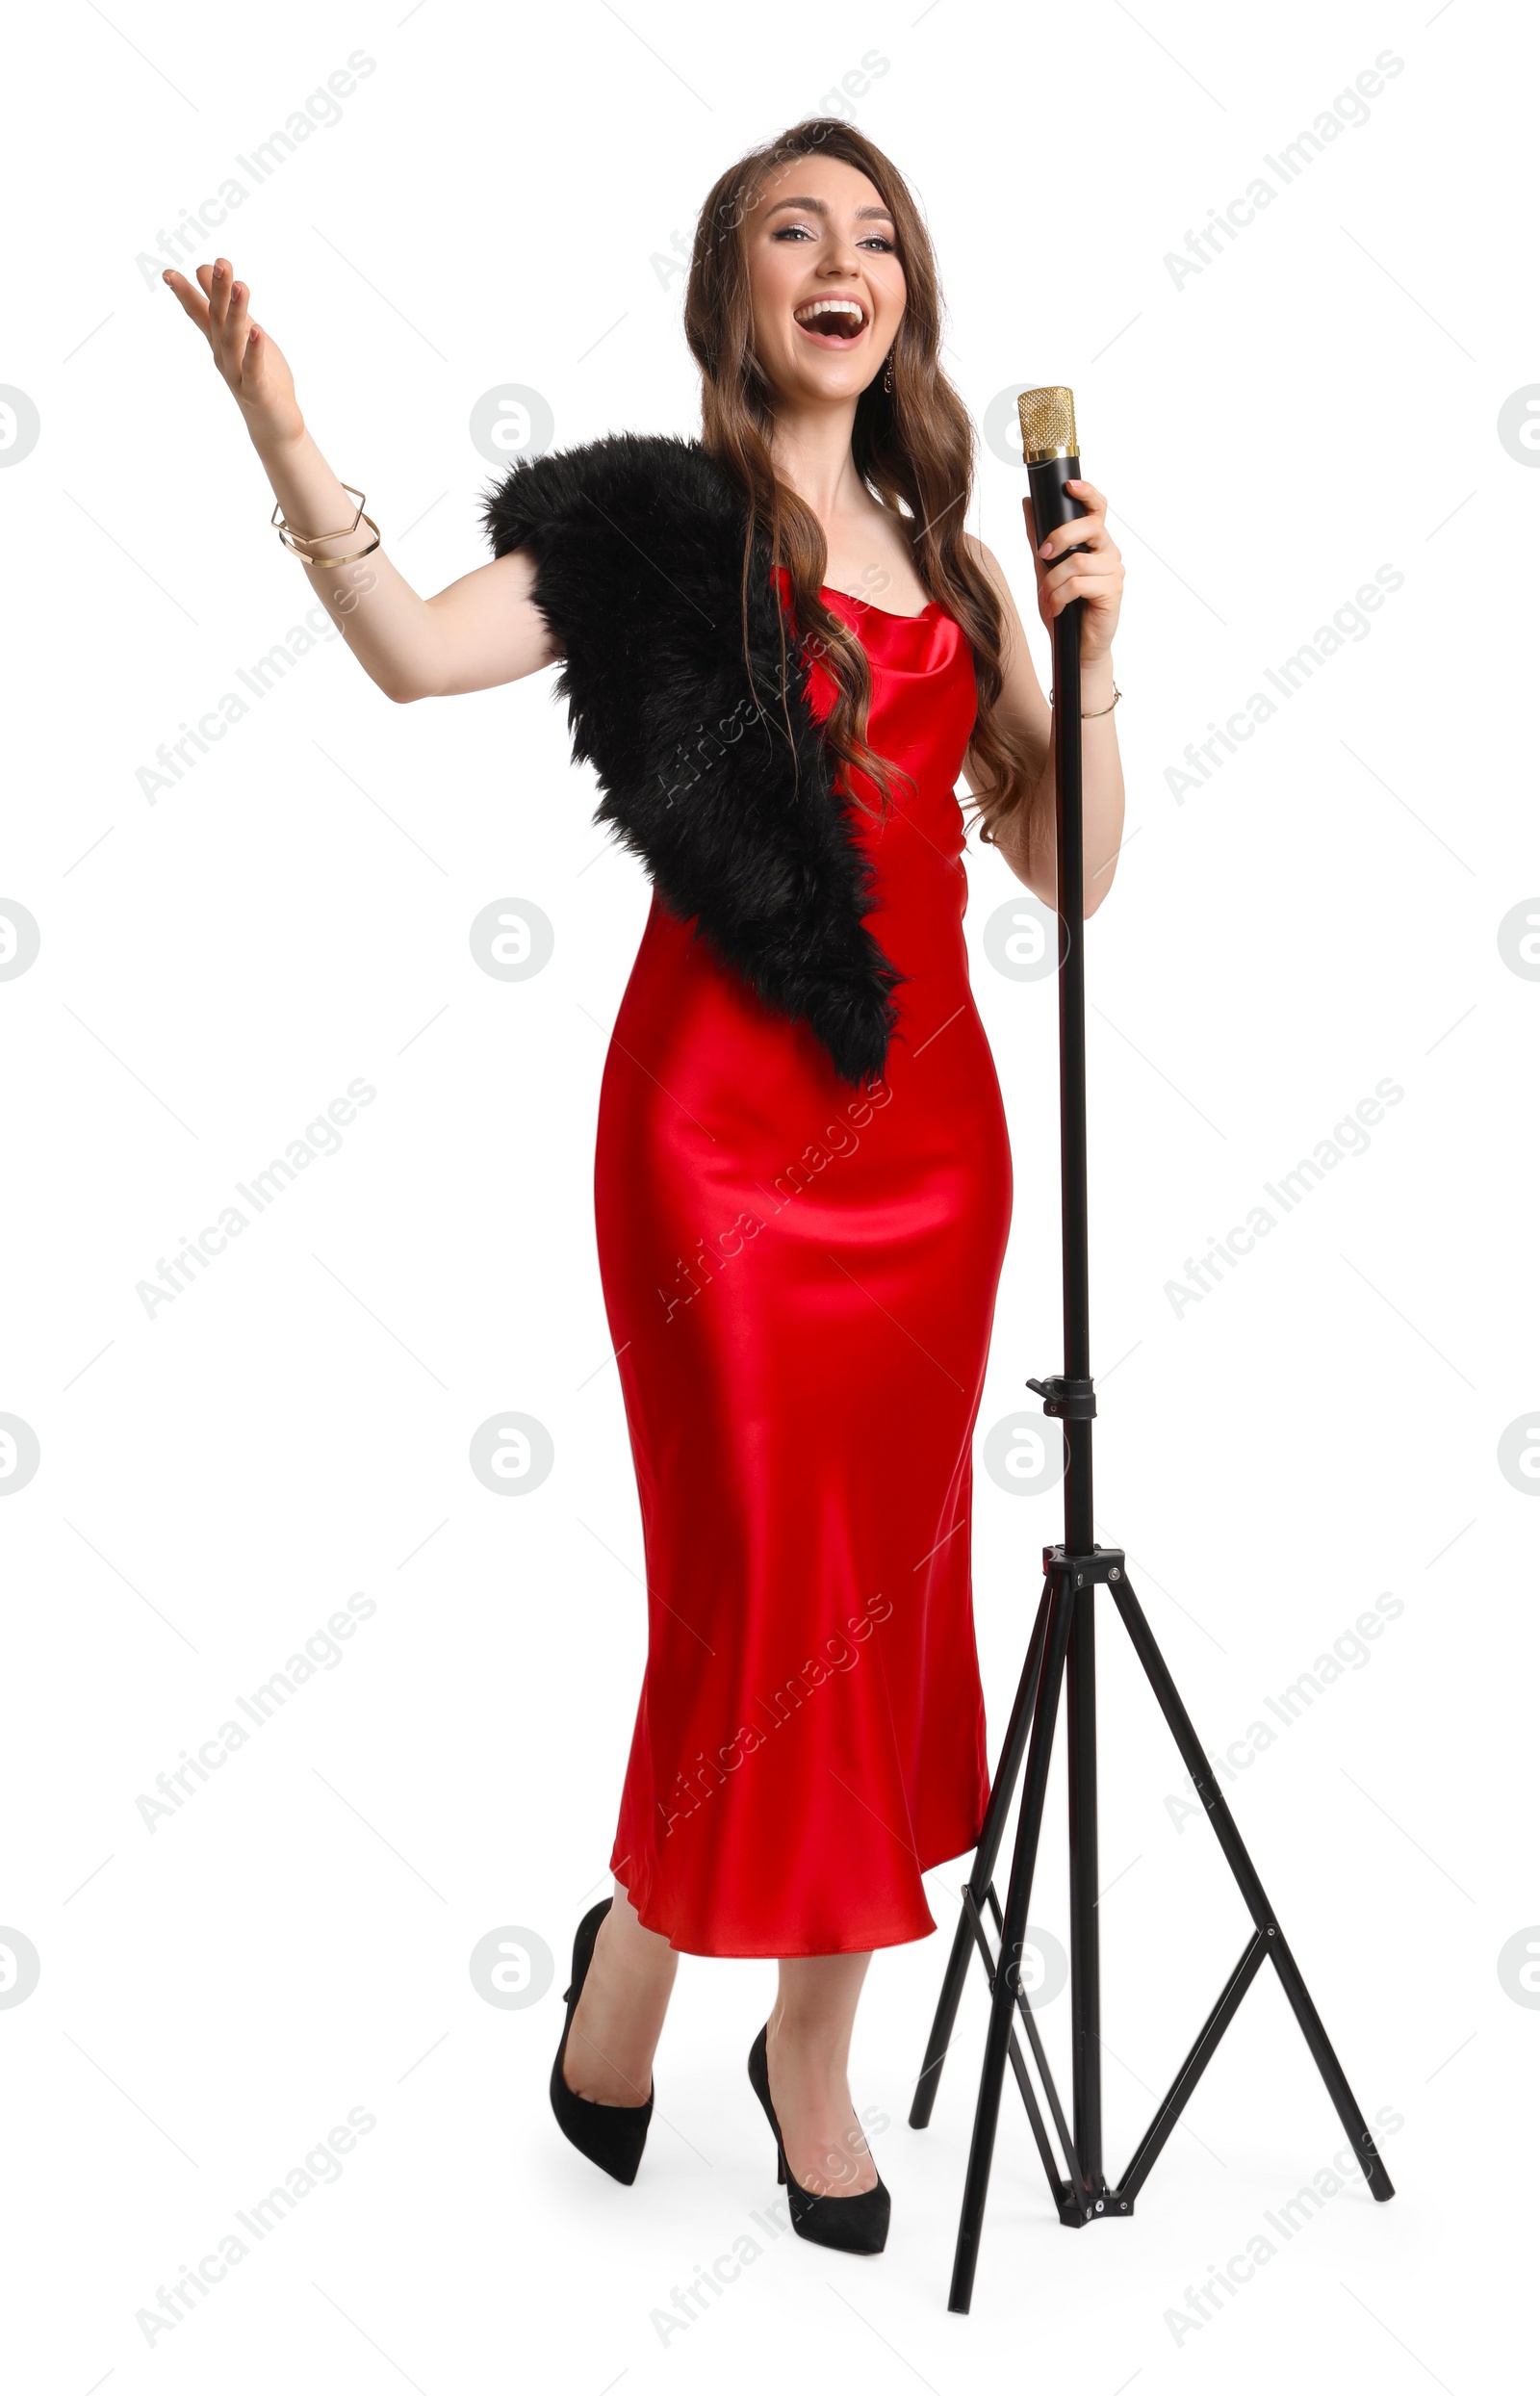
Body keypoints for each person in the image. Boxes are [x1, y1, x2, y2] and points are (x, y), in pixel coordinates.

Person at [164, 116, 1125, 2257]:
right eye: (792, 230)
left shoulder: (947, 551)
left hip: (931, 1155)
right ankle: (706, 2006)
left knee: (871, 1604)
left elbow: (1065, 871)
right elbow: (415, 651)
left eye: (873, 234)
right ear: (732, 295)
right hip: (711, 1149)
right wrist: (286, 437)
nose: (838, 260)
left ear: (909, 303)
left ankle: (729, 2016)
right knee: (756, 1587)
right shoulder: (656, 527)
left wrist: (1080, 654)